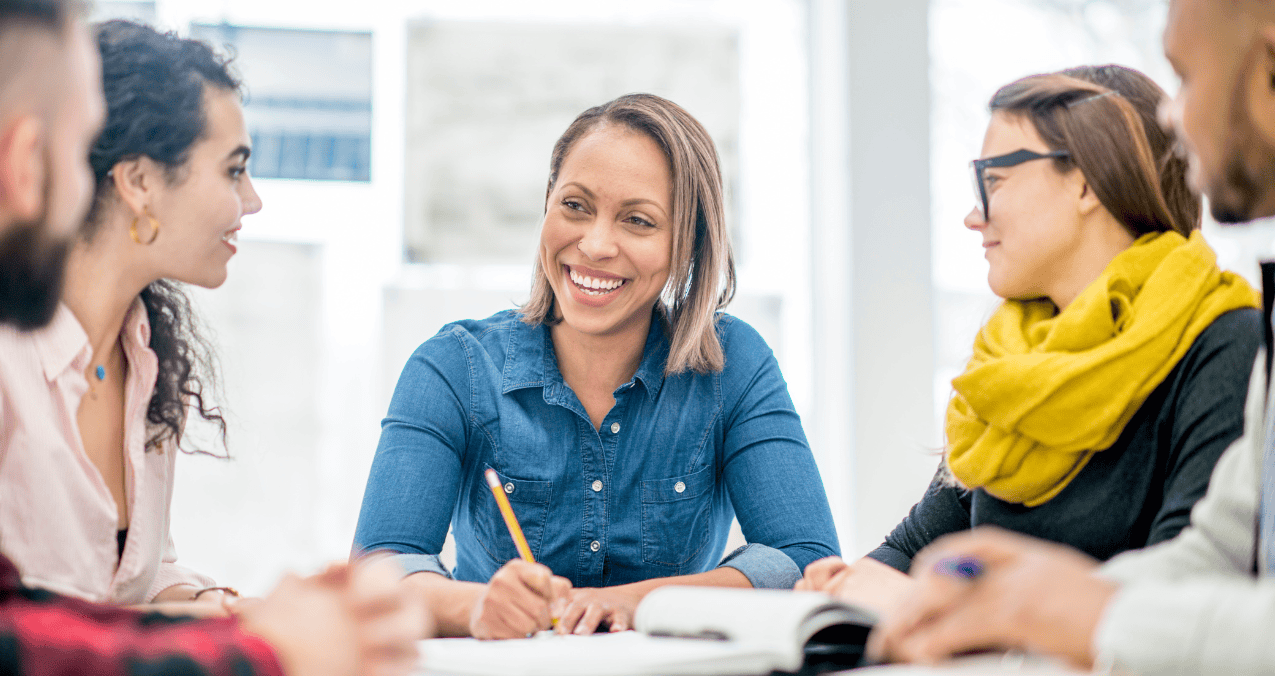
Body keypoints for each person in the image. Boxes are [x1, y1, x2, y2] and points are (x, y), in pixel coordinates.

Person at [0, 1, 426, 674]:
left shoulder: (145, 358)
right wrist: (262, 646)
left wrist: (250, 616)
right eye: (76, 155)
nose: (252, 201)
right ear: (26, 163)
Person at [867, 1, 1275, 673]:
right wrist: (1021, 600)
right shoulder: (1012, 364)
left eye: (1185, 77)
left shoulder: (1223, 338)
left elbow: (1212, 587)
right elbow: (1216, 547)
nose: (1172, 117)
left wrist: (1054, 612)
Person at [353, 92, 838, 639]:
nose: (596, 244)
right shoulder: (451, 368)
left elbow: (806, 562)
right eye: (575, 206)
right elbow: (377, 571)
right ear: (547, 205)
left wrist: (629, 603)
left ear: (688, 245)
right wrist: (473, 606)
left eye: (637, 220)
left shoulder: (734, 365)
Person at [796, 64, 1261, 619]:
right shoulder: (1014, 362)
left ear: (1086, 181)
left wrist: (944, 606)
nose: (973, 216)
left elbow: (1175, 607)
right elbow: (909, 552)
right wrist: (845, 588)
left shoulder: (1227, 343)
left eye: (992, 180)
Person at [0, 19, 256, 610]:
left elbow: (134, 579)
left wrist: (222, 608)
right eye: (234, 170)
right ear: (139, 181)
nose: (252, 201)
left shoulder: (146, 355)